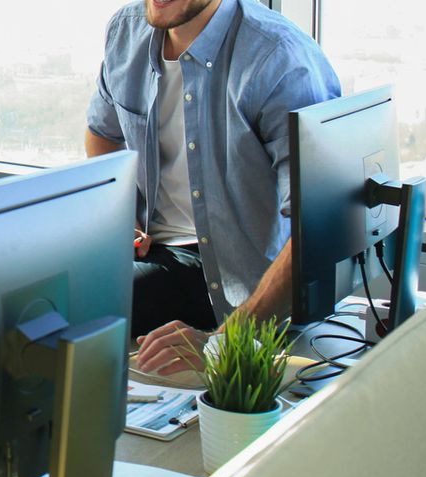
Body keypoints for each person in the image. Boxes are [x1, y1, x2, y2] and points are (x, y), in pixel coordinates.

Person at [85, 0, 340, 374]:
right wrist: (123, 216)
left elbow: (316, 224)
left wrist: (224, 341)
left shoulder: (278, 58)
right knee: (42, 301)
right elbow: (102, 134)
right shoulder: (127, 31)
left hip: (250, 281)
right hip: (162, 254)